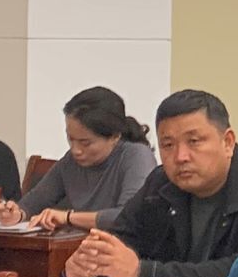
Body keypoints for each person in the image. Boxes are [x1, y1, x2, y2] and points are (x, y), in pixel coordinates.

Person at [68, 89, 238, 277]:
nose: (180, 157)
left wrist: (145, 275)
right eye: (168, 145)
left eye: (194, 141)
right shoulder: (160, 185)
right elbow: (120, 246)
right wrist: (86, 271)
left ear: (228, 142)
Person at [9, 86, 160, 232]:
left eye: (85, 143)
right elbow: (34, 201)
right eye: (70, 139)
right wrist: (16, 213)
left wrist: (68, 218)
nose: (76, 150)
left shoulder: (137, 156)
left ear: (115, 136)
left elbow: (130, 217)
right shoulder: (70, 162)